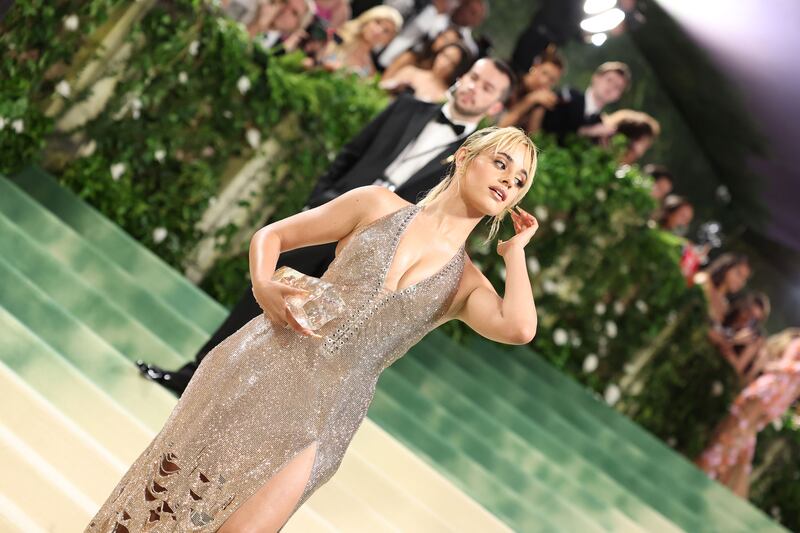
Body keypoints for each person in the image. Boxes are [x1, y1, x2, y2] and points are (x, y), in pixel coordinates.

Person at [88, 127, 540, 531]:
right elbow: (273, 236)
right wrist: (263, 285)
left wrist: (514, 252)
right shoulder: (377, 204)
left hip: (327, 416)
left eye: (520, 180)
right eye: (500, 163)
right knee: (165, 501)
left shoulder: (465, 283)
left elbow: (519, 328)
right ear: (463, 157)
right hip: (261, 366)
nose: (508, 180)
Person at [137, 57, 517, 394]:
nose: (472, 88)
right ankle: (193, 379)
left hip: (377, 250)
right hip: (334, 215)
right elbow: (351, 153)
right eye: (472, 77)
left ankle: (242, 406)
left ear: (495, 105)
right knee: (258, 300)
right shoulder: (406, 108)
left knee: (310, 337)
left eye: (486, 88)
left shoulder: (477, 160)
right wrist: (321, 199)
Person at [696, 330, 800, 498]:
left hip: (765, 410)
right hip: (761, 399)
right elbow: (780, 368)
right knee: (724, 447)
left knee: (739, 461)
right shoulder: (797, 346)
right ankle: (693, 483)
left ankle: (719, 504)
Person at [541, 61, 631, 142]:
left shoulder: (600, 126)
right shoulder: (567, 96)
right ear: (596, 78)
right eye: (609, 80)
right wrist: (587, 131)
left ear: (618, 96)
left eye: (617, 87)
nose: (611, 87)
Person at [317, 5, 403, 77]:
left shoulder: (370, 70)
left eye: (386, 31)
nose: (378, 31)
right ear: (367, 20)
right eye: (377, 22)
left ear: (388, 40)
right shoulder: (339, 37)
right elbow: (316, 58)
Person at [380, 41, 472, 102]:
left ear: (457, 69)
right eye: (444, 55)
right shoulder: (411, 72)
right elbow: (382, 88)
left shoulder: (445, 97)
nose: (444, 63)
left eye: (452, 62)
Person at [498, 50, 564, 133]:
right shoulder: (511, 82)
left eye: (552, 80)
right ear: (535, 66)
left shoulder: (539, 98)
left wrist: (539, 107)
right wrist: (530, 100)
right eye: (544, 73)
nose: (545, 81)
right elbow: (499, 126)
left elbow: (532, 137)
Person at [382, 25, 462, 79]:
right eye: (443, 37)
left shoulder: (438, 77)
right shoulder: (411, 57)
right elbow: (385, 79)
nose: (442, 42)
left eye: (448, 42)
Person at [695, 253, 752, 324]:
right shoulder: (704, 280)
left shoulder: (725, 306)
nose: (740, 282)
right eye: (738, 273)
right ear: (727, 268)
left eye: (744, 279)